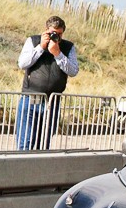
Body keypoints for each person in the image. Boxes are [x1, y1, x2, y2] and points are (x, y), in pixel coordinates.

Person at [16, 15, 79, 150]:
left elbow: (73, 71)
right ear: (46, 30)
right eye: (52, 33)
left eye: (59, 34)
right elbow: (22, 63)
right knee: (25, 143)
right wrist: (40, 47)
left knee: (44, 144)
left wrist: (58, 54)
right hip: (30, 99)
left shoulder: (68, 47)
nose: (56, 37)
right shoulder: (33, 41)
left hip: (52, 102)